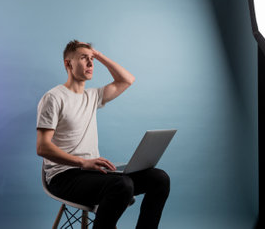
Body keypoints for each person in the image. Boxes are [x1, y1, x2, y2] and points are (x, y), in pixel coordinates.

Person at [36, 40, 170, 228]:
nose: (91, 64)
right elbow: (42, 147)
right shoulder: (54, 97)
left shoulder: (93, 96)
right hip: (64, 176)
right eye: (84, 58)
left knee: (159, 179)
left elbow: (127, 80)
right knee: (122, 186)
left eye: (92, 60)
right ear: (68, 63)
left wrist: (97, 54)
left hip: (92, 173)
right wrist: (83, 162)